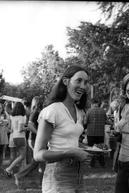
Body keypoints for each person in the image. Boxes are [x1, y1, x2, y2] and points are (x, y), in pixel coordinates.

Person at [34, 65, 91, 193]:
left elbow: (68, 140)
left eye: (86, 82)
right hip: (57, 176)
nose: (83, 86)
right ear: (66, 81)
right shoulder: (52, 111)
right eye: (79, 80)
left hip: (78, 173)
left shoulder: (80, 112)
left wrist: (86, 149)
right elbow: (38, 154)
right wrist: (70, 153)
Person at [14, 96, 44, 187]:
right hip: (34, 139)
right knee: (41, 161)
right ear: (37, 103)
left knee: (36, 162)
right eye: (40, 102)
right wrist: (40, 133)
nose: (42, 103)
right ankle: (41, 183)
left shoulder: (37, 112)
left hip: (35, 139)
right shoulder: (35, 113)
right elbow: (30, 126)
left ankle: (20, 176)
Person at [4, 102, 27, 177]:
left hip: (14, 137)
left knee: (20, 155)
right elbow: (20, 129)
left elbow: (12, 128)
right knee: (22, 156)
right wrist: (27, 128)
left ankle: (18, 171)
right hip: (20, 137)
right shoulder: (21, 117)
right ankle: (9, 169)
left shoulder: (12, 117)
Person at [84, 98, 108, 167]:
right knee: (100, 149)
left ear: (92, 104)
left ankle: (92, 164)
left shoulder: (89, 111)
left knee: (91, 149)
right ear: (97, 103)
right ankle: (102, 164)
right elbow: (106, 121)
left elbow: (85, 122)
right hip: (100, 133)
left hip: (91, 133)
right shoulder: (103, 111)